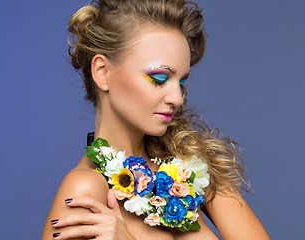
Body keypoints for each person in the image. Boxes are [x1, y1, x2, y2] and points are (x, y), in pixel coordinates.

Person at [41, 0, 270, 239]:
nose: (177, 98)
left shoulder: (192, 168)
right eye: (159, 78)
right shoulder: (85, 188)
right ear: (102, 72)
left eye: (181, 82)